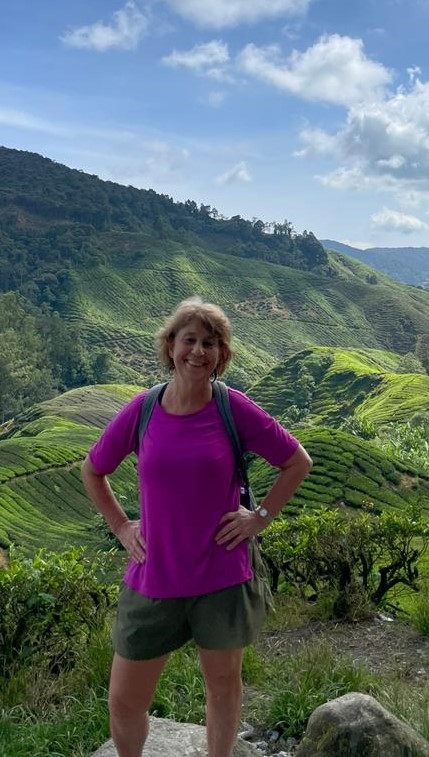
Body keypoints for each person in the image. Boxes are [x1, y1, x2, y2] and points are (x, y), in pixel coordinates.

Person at [81, 296, 312, 757]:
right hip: (155, 574)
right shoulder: (143, 410)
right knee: (125, 700)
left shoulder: (233, 408)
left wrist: (258, 518)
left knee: (223, 687)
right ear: (170, 346)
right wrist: (123, 527)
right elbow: (93, 469)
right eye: (189, 340)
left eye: (211, 343)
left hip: (220, 575)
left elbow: (296, 462)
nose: (198, 351)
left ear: (221, 354)